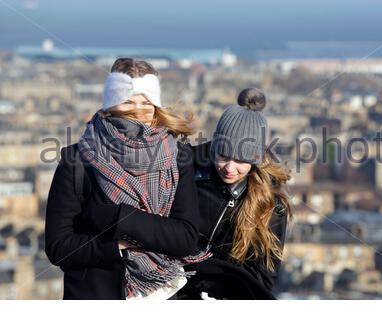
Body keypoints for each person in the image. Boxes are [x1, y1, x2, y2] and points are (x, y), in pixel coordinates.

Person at [45, 58, 204, 300]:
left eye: (146, 102)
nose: (138, 111)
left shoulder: (177, 156)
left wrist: (122, 219)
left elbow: (186, 238)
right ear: (111, 105)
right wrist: (115, 247)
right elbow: (59, 247)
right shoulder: (77, 160)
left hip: (163, 295)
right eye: (128, 101)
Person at [178, 88, 292, 299]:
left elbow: (262, 278)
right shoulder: (186, 174)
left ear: (255, 160)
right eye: (223, 156)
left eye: (240, 160)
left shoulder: (271, 206)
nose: (230, 168)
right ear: (213, 150)